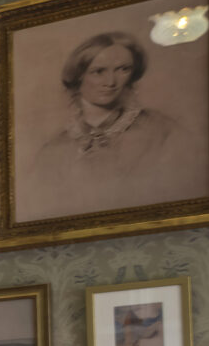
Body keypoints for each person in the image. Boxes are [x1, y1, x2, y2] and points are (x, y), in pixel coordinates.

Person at [24, 30, 193, 215]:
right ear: (78, 76)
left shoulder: (162, 131)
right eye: (98, 72)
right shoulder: (53, 151)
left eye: (123, 69)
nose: (111, 82)